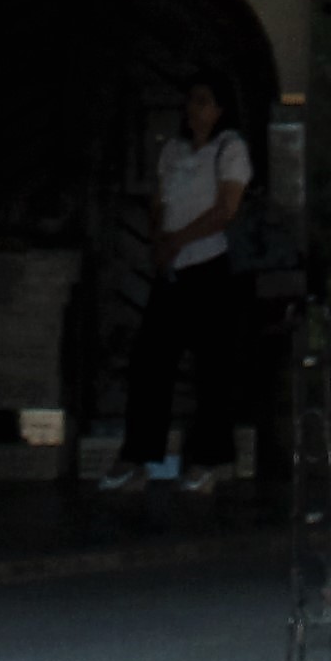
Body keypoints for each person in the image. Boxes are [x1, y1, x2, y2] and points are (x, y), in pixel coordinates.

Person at [104, 73, 252, 490]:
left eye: (203, 101)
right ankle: (138, 456)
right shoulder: (173, 150)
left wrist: (179, 240)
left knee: (212, 369)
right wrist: (158, 240)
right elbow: (159, 201)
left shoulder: (230, 148)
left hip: (210, 266)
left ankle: (211, 459)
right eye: (191, 101)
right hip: (172, 269)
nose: (193, 109)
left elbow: (226, 208)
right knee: (150, 360)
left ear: (219, 109)